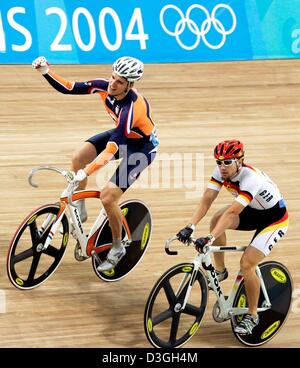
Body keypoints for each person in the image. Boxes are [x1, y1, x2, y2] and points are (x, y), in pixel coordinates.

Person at [32, 55, 159, 272]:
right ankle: (79, 211)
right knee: (78, 158)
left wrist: (86, 173)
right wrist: (46, 71)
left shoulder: (131, 109)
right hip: (124, 137)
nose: (112, 83)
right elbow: (70, 88)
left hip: (141, 148)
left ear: (129, 85)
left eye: (119, 82)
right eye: (112, 77)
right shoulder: (104, 86)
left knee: (108, 197)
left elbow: (111, 150)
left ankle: (118, 247)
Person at [177, 139, 289, 335]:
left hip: (274, 219)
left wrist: (209, 238)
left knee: (247, 264)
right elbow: (207, 200)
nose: (222, 167)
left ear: (240, 161)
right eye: (219, 162)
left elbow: (232, 214)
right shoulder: (220, 172)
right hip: (252, 211)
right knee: (216, 219)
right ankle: (220, 271)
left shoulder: (251, 178)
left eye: (228, 162)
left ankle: (252, 315)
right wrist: (190, 226)